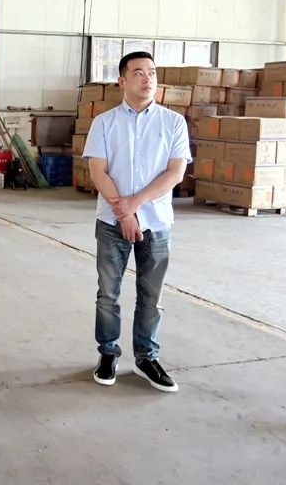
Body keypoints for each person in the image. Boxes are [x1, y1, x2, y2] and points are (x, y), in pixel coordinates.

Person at [82, 51, 191, 393]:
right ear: (122, 81)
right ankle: (108, 353)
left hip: (156, 223)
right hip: (111, 223)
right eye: (139, 73)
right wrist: (125, 214)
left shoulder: (173, 122)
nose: (148, 79)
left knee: (151, 296)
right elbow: (98, 172)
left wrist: (136, 205)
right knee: (108, 295)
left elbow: (175, 172)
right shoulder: (104, 123)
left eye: (152, 73)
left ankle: (146, 357)